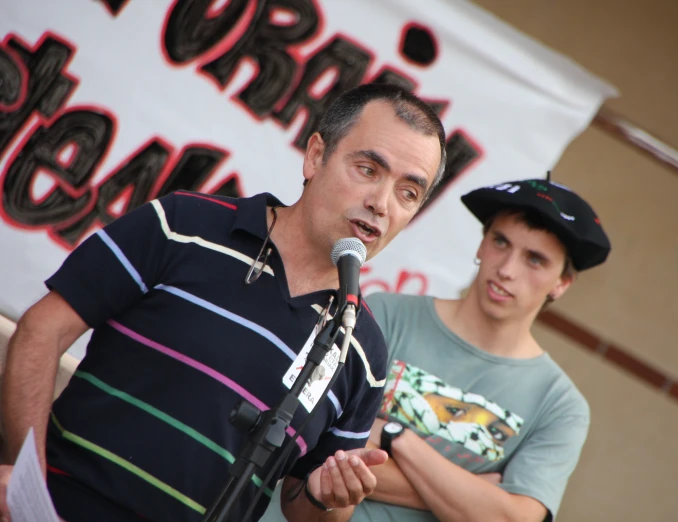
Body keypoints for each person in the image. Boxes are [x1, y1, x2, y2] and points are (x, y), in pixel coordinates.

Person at [0, 83, 446, 522]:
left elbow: (306, 507)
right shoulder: (181, 224)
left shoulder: (362, 349)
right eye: (368, 169)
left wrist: (325, 494)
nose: (381, 203)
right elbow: (43, 330)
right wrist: (26, 482)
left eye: (408, 193)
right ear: (315, 156)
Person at [352, 178, 611, 521]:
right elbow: (319, 444)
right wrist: (473, 493)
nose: (506, 270)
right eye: (500, 242)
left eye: (535, 260)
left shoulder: (560, 406)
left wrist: (395, 436)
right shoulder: (385, 314)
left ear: (562, 283)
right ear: (481, 244)